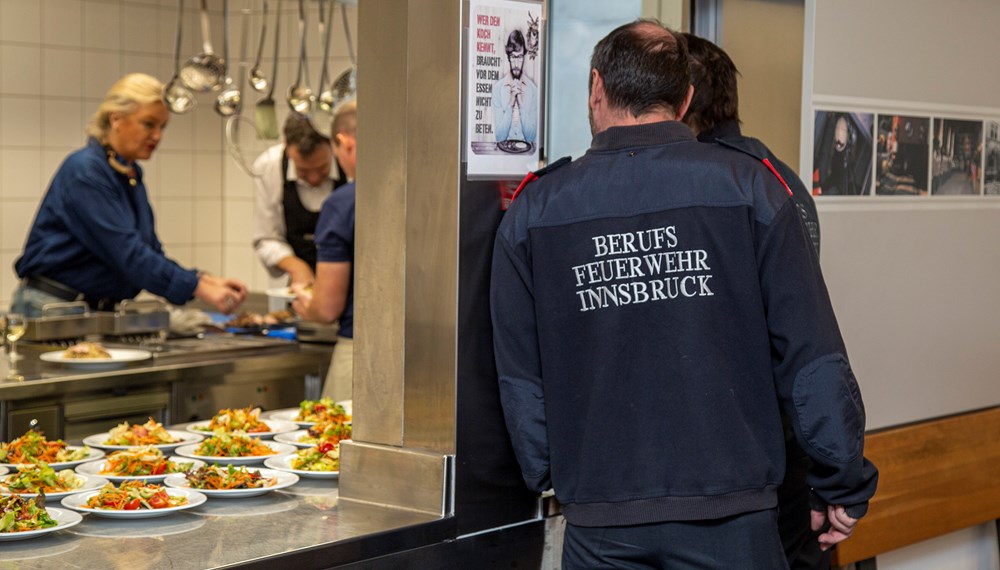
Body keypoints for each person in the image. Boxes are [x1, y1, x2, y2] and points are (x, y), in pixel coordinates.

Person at [490, 21, 878, 569]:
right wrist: (841, 477)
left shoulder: (535, 210)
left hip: (601, 522)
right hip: (732, 517)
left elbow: (519, 375)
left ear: (596, 88)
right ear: (685, 96)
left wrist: (549, 471)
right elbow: (811, 355)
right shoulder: (753, 189)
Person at [682, 32, 826, 569]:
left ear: (684, 99)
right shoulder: (778, 178)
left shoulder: (714, 189)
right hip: (789, 443)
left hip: (731, 455)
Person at [12, 73, 247, 317]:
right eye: (149, 124)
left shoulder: (128, 173)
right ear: (116, 119)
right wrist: (197, 288)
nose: (157, 136)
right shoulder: (85, 171)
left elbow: (149, 249)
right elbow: (128, 254)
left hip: (88, 311)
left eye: (162, 127)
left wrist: (203, 280)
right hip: (52, 309)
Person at [292, 101, 357, 401]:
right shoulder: (429, 192)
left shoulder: (342, 204)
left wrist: (309, 306)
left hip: (359, 354)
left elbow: (328, 307)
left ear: (343, 143)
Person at [253, 114, 351, 287]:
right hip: (297, 286)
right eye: (303, 171)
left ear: (332, 146)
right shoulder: (269, 166)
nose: (313, 179)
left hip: (349, 282)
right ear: (287, 149)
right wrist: (297, 268)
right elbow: (266, 238)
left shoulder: (350, 162)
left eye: (322, 169)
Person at [492, 29, 539, 147]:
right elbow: (499, 137)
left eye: (520, 57)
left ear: (524, 57)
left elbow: (531, 138)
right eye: (513, 57)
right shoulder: (498, 89)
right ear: (508, 57)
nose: (517, 64)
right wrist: (511, 103)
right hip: (503, 157)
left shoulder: (533, 90)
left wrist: (521, 105)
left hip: (527, 159)